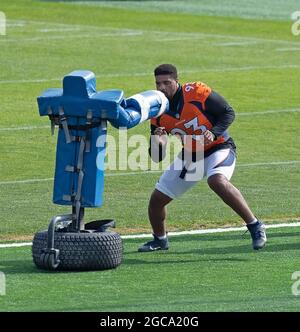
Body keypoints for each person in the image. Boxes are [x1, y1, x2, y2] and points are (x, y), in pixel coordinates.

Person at [138, 63, 267, 252]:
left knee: (217, 181)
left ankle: (255, 225)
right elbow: (157, 157)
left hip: (219, 147)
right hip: (192, 155)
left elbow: (228, 112)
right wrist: (159, 142)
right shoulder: (157, 111)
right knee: (157, 201)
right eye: (158, 84)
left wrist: (213, 133)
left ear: (177, 81)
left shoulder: (196, 92)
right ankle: (160, 239)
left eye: (167, 82)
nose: (162, 88)